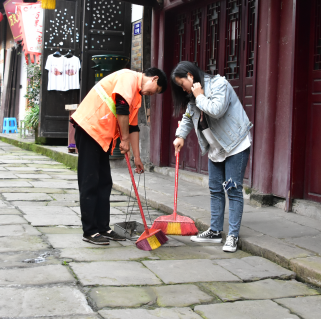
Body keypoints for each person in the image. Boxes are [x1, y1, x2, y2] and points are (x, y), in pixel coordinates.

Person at [71, 67, 168, 245]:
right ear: (154, 79)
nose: (151, 94)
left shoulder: (137, 97)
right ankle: (90, 231)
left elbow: (133, 127)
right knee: (90, 181)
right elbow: (121, 107)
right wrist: (123, 140)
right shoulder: (128, 77)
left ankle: (103, 227)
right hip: (89, 128)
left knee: (105, 183)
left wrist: (137, 158)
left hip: (101, 136)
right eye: (155, 91)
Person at [171, 61, 253, 253]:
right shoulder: (193, 96)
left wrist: (199, 95)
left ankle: (232, 235)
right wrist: (180, 136)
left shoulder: (219, 84)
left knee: (232, 189)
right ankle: (215, 231)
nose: (183, 90)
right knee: (215, 189)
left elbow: (216, 110)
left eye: (182, 84)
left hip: (235, 144)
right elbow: (188, 116)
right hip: (216, 147)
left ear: (190, 76)